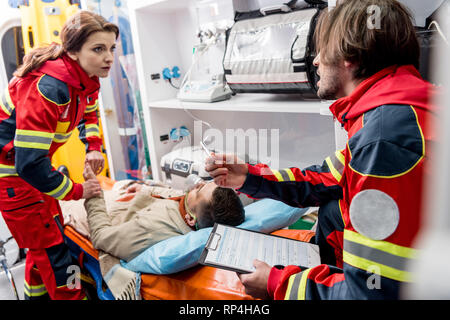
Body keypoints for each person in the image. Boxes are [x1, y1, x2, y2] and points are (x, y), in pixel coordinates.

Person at [205, 0, 439, 300]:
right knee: (331, 207)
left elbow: (370, 292)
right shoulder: (403, 110)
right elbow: (326, 178)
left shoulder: (383, 140)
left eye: (321, 49)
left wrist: (278, 283)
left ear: (349, 56)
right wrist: (247, 177)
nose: (314, 61)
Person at [0, 11, 119, 300]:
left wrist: (92, 145)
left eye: (112, 48)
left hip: (31, 172)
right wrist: (77, 191)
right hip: (14, 179)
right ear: (74, 52)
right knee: (59, 259)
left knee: (43, 249)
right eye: (98, 49)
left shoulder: (85, 78)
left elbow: (89, 108)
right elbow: (28, 164)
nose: (109, 58)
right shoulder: (48, 87)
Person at [82, 163, 245, 261]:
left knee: (69, 202)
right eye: (205, 182)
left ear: (190, 219)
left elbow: (101, 236)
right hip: (136, 197)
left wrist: (94, 191)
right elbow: (180, 196)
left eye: (199, 189)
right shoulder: (191, 210)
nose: (197, 183)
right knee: (122, 183)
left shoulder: (148, 231)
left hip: (108, 211)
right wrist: (146, 189)